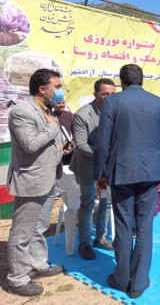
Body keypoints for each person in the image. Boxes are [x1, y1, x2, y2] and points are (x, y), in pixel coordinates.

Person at [94, 64, 160, 299]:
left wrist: (99, 172)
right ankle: (138, 282)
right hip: (151, 171)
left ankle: (122, 277)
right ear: (142, 80)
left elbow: (103, 141)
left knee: (124, 225)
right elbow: (156, 135)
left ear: (121, 81)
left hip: (122, 171)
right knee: (145, 226)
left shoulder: (113, 102)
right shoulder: (158, 102)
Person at [6, 69, 69, 297]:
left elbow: (48, 140)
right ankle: (18, 278)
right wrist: (53, 127)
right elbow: (31, 144)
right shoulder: (22, 112)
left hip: (49, 177)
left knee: (39, 227)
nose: (60, 91)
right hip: (31, 180)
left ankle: (38, 264)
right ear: (43, 89)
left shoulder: (47, 110)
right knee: (22, 232)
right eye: (57, 86)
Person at [70, 78, 116, 260]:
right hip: (86, 166)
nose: (109, 97)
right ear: (95, 94)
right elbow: (81, 145)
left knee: (107, 202)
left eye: (113, 94)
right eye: (105, 94)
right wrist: (105, 156)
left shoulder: (116, 111)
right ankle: (84, 244)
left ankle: (101, 238)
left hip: (107, 167)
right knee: (87, 202)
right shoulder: (83, 114)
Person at [54, 99, 74, 165]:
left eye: (63, 103)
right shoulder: (50, 116)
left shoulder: (70, 115)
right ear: (53, 104)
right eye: (59, 103)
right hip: (55, 151)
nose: (61, 105)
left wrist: (72, 145)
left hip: (69, 150)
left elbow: (75, 133)